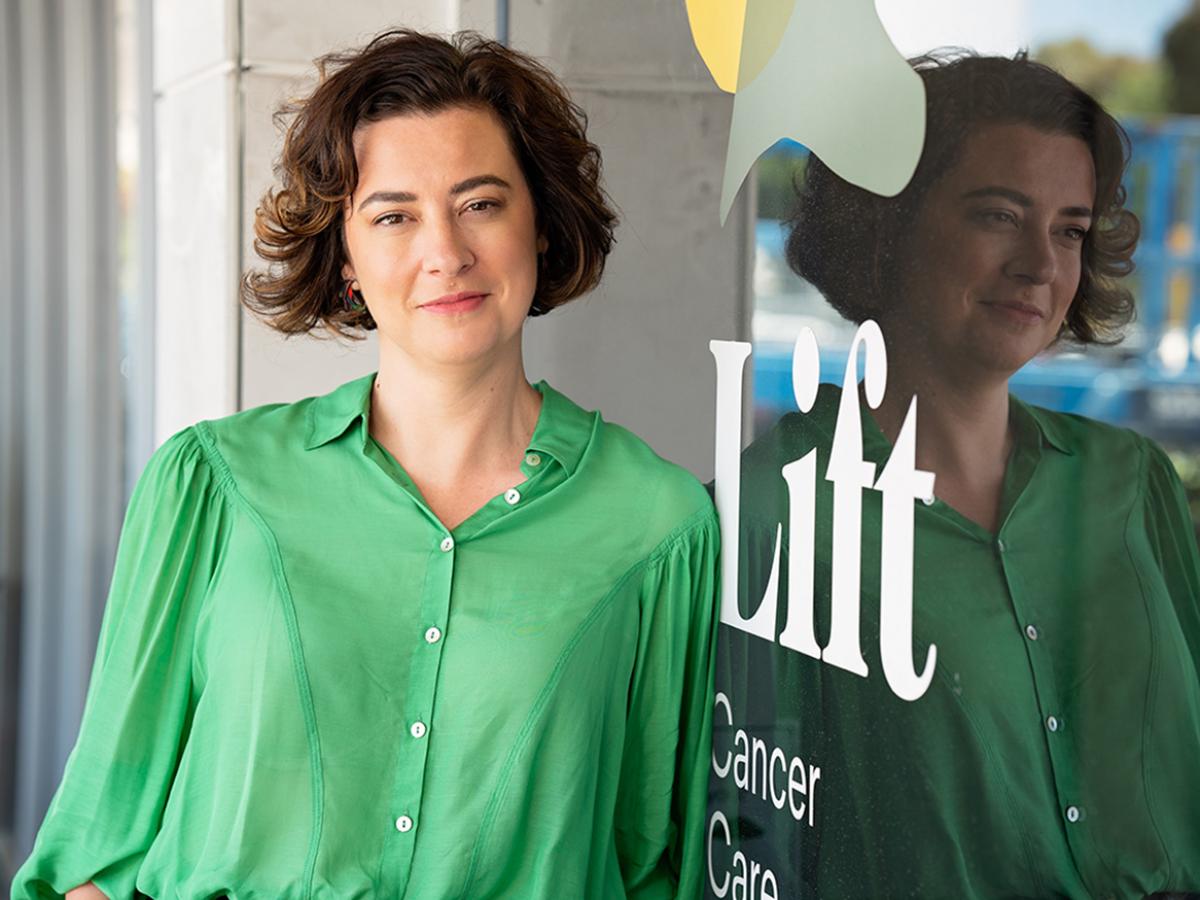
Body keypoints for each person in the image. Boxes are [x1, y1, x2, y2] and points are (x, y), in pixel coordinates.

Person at [14, 30, 718, 899]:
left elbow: (655, 865)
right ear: (347, 258)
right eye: (394, 215)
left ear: (541, 223)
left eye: (482, 203)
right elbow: (93, 854)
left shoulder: (658, 527)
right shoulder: (215, 488)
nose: (445, 252)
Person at [717, 51, 1200, 898]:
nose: (1041, 266)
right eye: (998, 216)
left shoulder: (1131, 481)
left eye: (1069, 231)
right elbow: (748, 849)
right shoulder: (772, 512)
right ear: (888, 222)